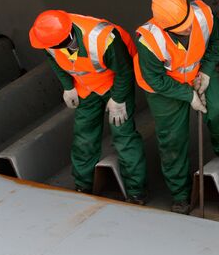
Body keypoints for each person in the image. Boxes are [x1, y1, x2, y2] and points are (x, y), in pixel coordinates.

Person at [133, 0, 219, 214]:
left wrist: (206, 71)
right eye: (182, 27)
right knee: (173, 140)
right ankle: (181, 195)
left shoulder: (203, 15)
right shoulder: (149, 41)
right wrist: (189, 96)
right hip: (164, 87)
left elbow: (217, 38)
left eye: (189, 22)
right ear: (166, 27)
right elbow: (155, 79)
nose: (189, 28)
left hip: (197, 71)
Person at [29, 10, 147, 204]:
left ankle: (136, 192)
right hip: (85, 87)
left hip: (113, 86)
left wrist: (118, 99)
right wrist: (68, 87)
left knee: (124, 137)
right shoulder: (47, 38)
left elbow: (124, 71)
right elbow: (54, 59)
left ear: (67, 37)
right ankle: (83, 185)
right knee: (84, 137)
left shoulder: (103, 39)